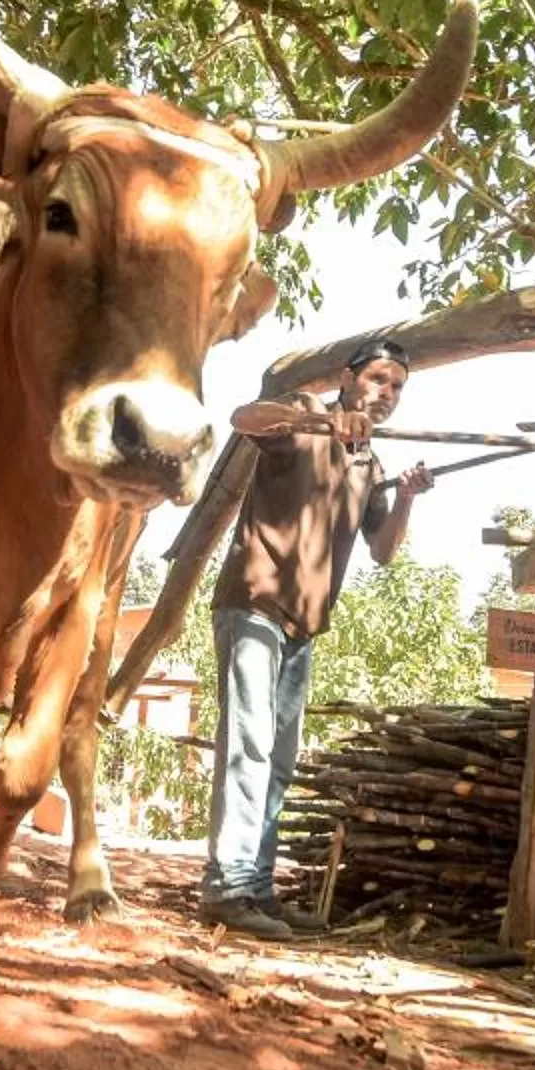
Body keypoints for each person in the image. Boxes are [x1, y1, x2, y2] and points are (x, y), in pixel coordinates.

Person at [200, 338, 434, 938]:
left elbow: (382, 551)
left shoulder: (369, 465)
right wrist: (324, 419)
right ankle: (226, 887)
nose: (386, 394)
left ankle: (256, 887)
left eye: (398, 388)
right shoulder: (301, 415)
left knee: (277, 758)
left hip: (303, 624)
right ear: (349, 378)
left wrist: (405, 498)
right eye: (379, 380)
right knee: (248, 745)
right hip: (254, 603)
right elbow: (242, 418)